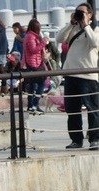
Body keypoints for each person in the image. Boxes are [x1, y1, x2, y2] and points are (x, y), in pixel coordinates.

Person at [56, 2, 99, 149]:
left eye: (82, 12)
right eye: (77, 12)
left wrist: (86, 24)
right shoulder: (73, 28)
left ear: (90, 15)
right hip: (70, 75)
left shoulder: (95, 29)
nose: (79, 14)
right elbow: (59, 39)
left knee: (92, 109)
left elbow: (94, 43)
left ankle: (95, 139)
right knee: (72, 109)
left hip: (88, 76)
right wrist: (71, 23)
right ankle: (76, 140)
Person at [23, 17, 48, 113]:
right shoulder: (30, 37)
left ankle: (31, 106)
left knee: (33, 85)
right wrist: (43, 42)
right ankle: (35, 103)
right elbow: (33, 50)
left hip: (35, 62)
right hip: (34, 64)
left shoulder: (31, 36)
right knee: (42, 83)